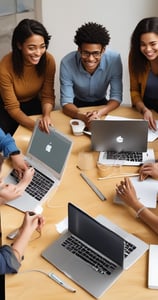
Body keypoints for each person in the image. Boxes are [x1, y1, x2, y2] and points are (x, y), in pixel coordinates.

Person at [60, 22, 122, 128]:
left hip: (102, 104)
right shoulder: (66, 63)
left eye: (96, 53)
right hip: (76, 104)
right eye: (85, 53)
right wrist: (82, 116)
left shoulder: (114, 60)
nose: (90, 59)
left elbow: (116, 97)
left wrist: (100, 113)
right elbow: (66, 102)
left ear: (103, 50)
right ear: (79, 49)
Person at [0, 18, 56, 135]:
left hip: (33, 102)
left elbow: (47, 95)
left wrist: (46, 116)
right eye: (31, 48)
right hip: (7, 108)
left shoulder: (48, 60)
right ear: (19, 45)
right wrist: (35, 126)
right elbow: (12, 107)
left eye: (42, 46)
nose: (38, 53)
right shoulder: (4, 66)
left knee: (52, 129)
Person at [129, 17, 158, 131]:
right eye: (143, 44)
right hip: (144, 110)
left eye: (153, 44)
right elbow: (134, 91)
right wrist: (144, 109)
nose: (148, 49)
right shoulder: (134, 57)